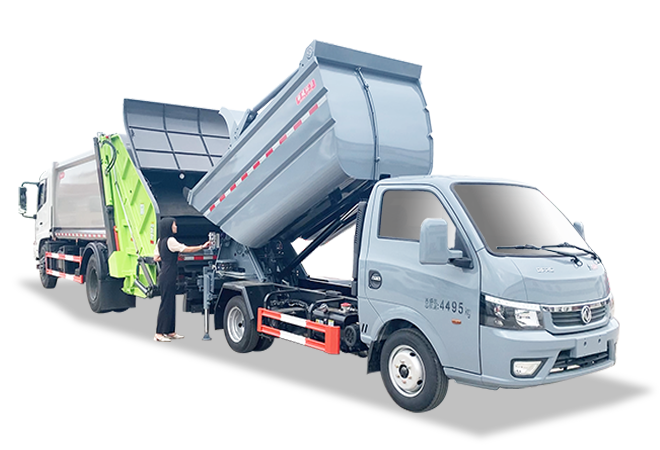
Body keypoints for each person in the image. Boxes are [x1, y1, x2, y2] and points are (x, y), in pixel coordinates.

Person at [152, 217, 211, 342]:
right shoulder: (171, 240)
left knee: (170, 302)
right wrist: (202, 246)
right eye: (174, 225)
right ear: (168, 227)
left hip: (165, 272)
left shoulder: (160, 241)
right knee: (166, 303)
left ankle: (170, 332)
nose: (176, 227)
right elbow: (186, 249)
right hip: (169, 274)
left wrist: (167, 257)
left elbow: (156, 258)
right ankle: (158, 334)